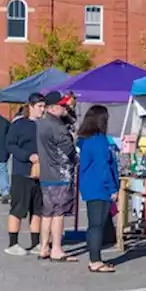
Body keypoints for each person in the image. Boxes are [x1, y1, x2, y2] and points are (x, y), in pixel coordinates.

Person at [77, 105, 120, 273]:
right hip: (99, 187)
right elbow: (104, 167)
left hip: (91, 185)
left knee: (96, 223)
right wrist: (112, 188)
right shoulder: (99, 141)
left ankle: (95, 258)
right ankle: (95, 260)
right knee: (96, 224)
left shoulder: (87, 139)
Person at [36, 91, 78, 262]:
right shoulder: (58, 127)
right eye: (62, 105)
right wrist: (73, 140)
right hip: (60, 174)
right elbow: (68, 149)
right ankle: (57, 248)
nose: (65, 108)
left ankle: (44, 246)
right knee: (58, 212)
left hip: (46, 173)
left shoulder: (41, 124)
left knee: (47, 213)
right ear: (52, 108)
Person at [4, 94, 45, 255]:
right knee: (19, 208)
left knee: (37, 209)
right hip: (22, 172)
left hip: (41, 173)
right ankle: (12, 243)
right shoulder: (19, 125)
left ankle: (36, 242)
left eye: (44, 106)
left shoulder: (44, 125)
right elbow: (10, 145)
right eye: (40, 106)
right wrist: (27, 156)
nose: (43, 109)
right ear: (31, 106)